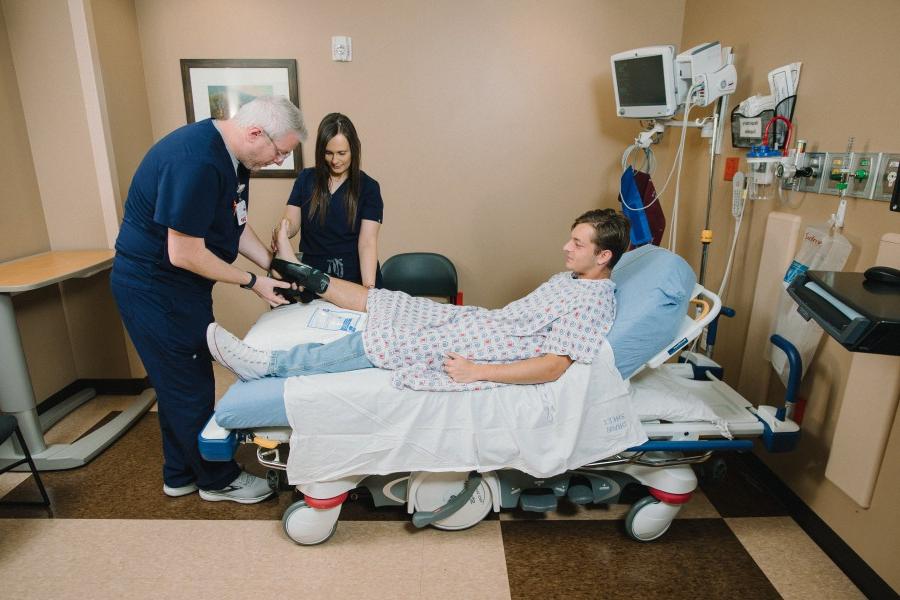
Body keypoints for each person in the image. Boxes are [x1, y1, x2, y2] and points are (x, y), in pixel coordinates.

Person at [111, 95, 307, 503]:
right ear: (256, 133)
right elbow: (183, 252)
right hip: (154, 287)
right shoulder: (196, 162)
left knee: (176, 381)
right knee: (190, 384)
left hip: (179, 286)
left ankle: (179, 474)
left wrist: (276, 266)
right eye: (279, 151)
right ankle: (218, 480)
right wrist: (253, 282)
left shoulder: (234, 159)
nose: (277, 161)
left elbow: (233, 226)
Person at [209, 209, 630, 392]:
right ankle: (301, 274)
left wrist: (478, 372)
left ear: (604, 255)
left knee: (386, 342)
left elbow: (556, 365)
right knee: (393, 302)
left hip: (488, 347)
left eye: (577, 243)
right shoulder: (572, 278)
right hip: (485, 322)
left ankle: (266, 365)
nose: (565, 247)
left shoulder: (593, 303)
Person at [273, 112, 383, 290]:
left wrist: (368, 289)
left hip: (353, 278)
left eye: (342, 153)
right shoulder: (306, 179)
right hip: (312, 276)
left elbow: (367, 243)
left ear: (353, 150)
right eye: (328, 153)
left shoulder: (368, 188)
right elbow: (291, 222)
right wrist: (282, 230)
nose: (335, 160)